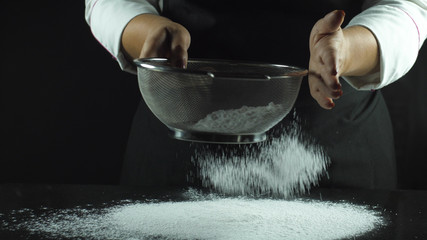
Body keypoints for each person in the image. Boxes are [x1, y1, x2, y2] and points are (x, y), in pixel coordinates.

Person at [85, 0, 427, 189]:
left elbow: (408, 6)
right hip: (176, 129)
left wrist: (348, 49)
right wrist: (142, 27)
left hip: (333, 142)